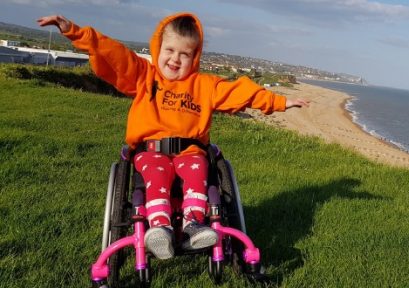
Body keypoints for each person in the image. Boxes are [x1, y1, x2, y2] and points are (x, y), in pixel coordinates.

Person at [37, 12, 309, 260]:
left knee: (198, 168)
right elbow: (113, 53)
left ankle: (193, 226)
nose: (175, 59)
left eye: (184, 54)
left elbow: (242, 92)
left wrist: (280, 102)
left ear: (195, 57)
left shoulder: (205, 85)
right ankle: (160, 229)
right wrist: (73, 31)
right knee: (156, 172)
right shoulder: (145, 76)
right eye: (169, 50)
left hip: (190, 152)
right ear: (158, 49)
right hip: (151, 151)